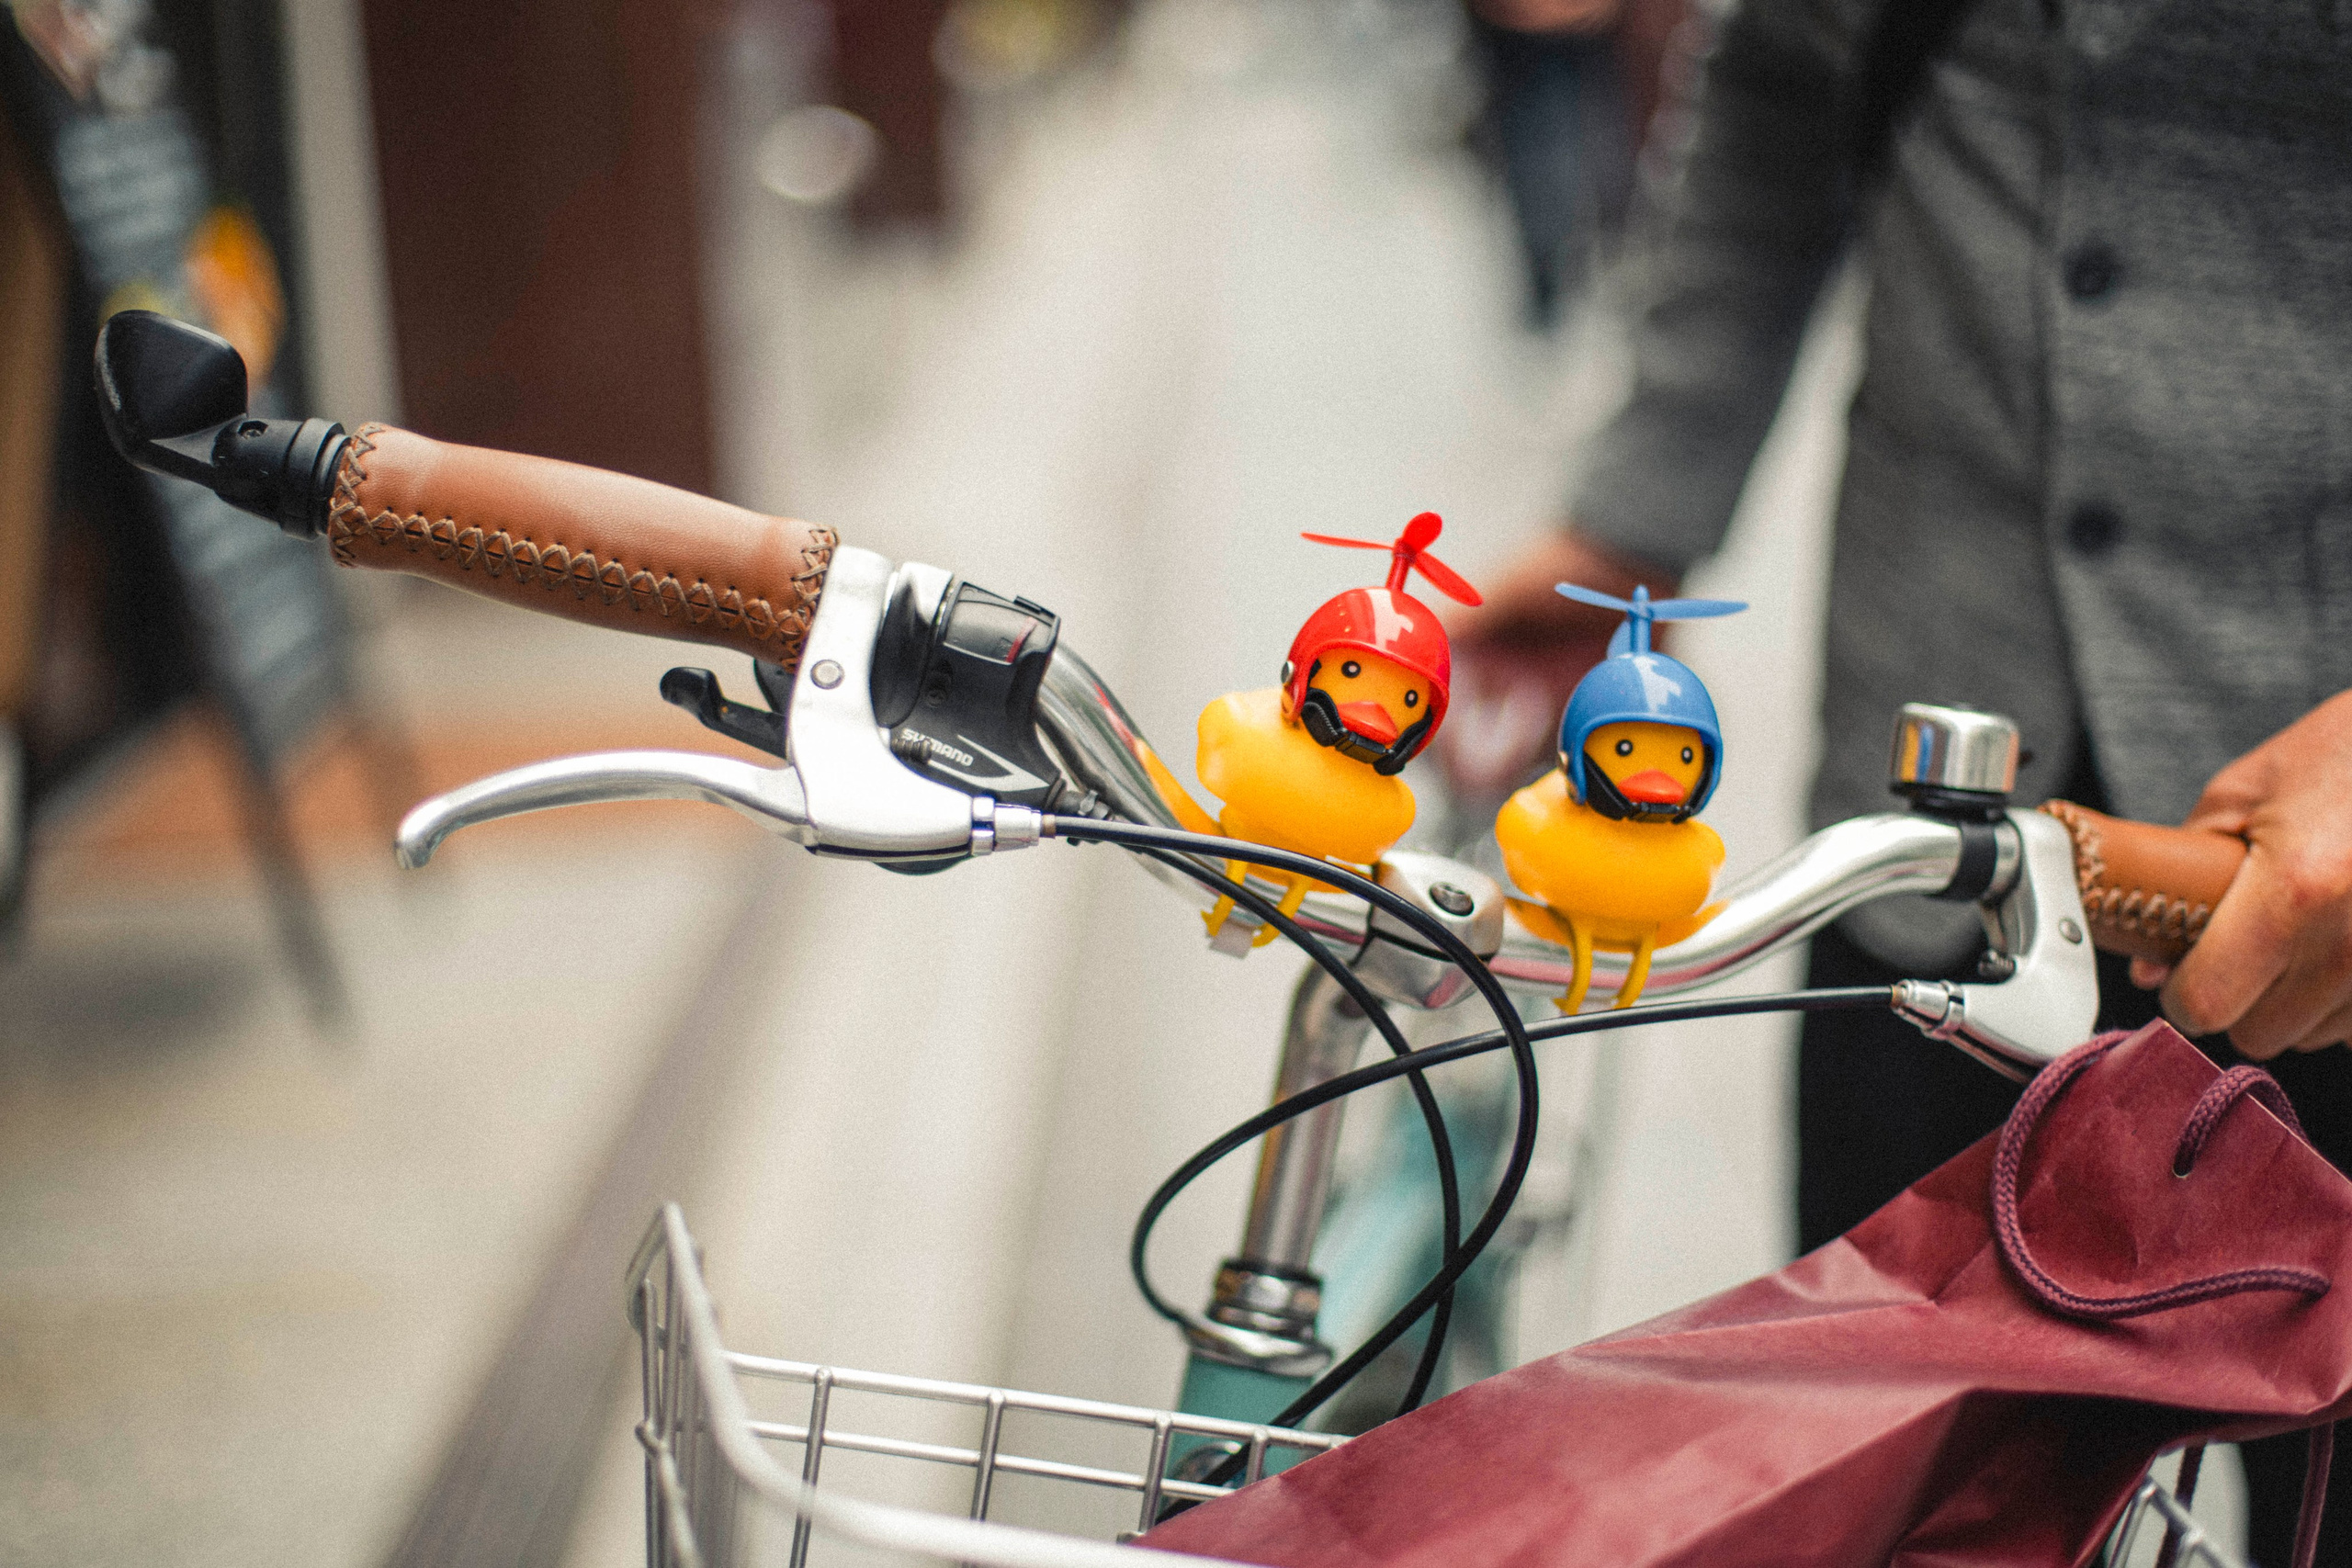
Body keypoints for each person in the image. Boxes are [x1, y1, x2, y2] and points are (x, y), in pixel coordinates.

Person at [1438, 0, 2352, 1558]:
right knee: (1889, 1485)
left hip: (2309, 822)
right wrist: (1633, 522)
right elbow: (1788, 80)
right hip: (1937, 778)